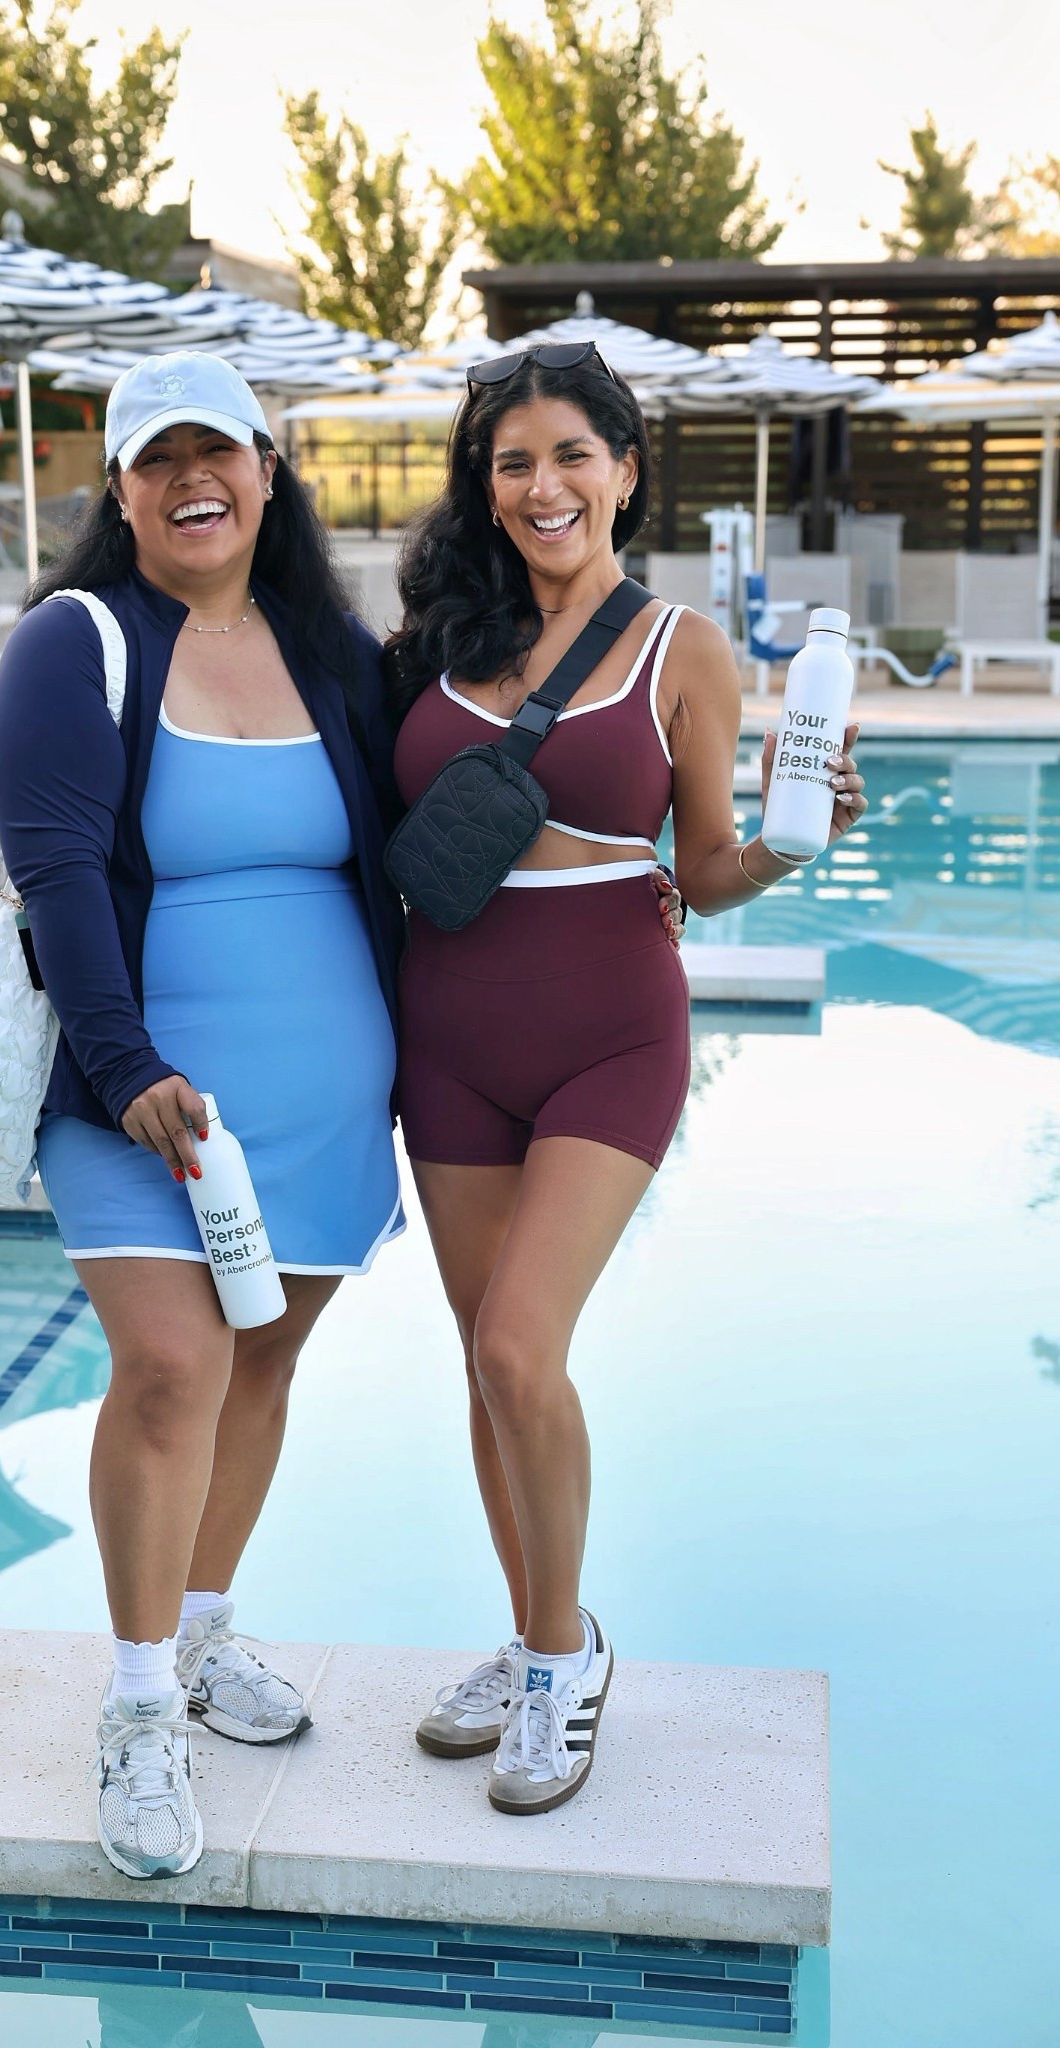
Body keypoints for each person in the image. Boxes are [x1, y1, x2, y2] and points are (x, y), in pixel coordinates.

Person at [385, 341, 866, 1815]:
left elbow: (707, 871)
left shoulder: (681, 649)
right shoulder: (427, 642)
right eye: (513, 459)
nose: (543, 486)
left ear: (624, 470)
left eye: (570, 457)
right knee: (483, 1364)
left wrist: (794, 837)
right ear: (485, 480)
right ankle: (546, 1630)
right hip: (445, 1036)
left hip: (609, 1031)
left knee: (521, 1348)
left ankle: (556, 1668)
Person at [0, 353, 409, 1878]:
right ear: (120, 494)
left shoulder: (332, 651)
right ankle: (143, 1705)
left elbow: (441, 807)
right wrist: (122, 1068)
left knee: (261, 1366)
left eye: (212, 452)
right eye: (153, 462)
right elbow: (57, 876)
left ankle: (207, 1622)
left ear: (267, 470)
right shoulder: (75, 643)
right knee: (170, 1370)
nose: (188, 482)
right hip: (139, 1088)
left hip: (323, 1092)